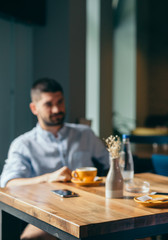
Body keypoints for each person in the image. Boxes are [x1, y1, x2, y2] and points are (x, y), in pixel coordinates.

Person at [0, 78, 109, 239]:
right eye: (49, 104)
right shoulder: (23, 144)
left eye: (60, 102)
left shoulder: (85, 134)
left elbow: (111, 165)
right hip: (47, 215)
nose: (57, 109)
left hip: (93, 210)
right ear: (34, 108)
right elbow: (8, 183)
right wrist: (49, 178)